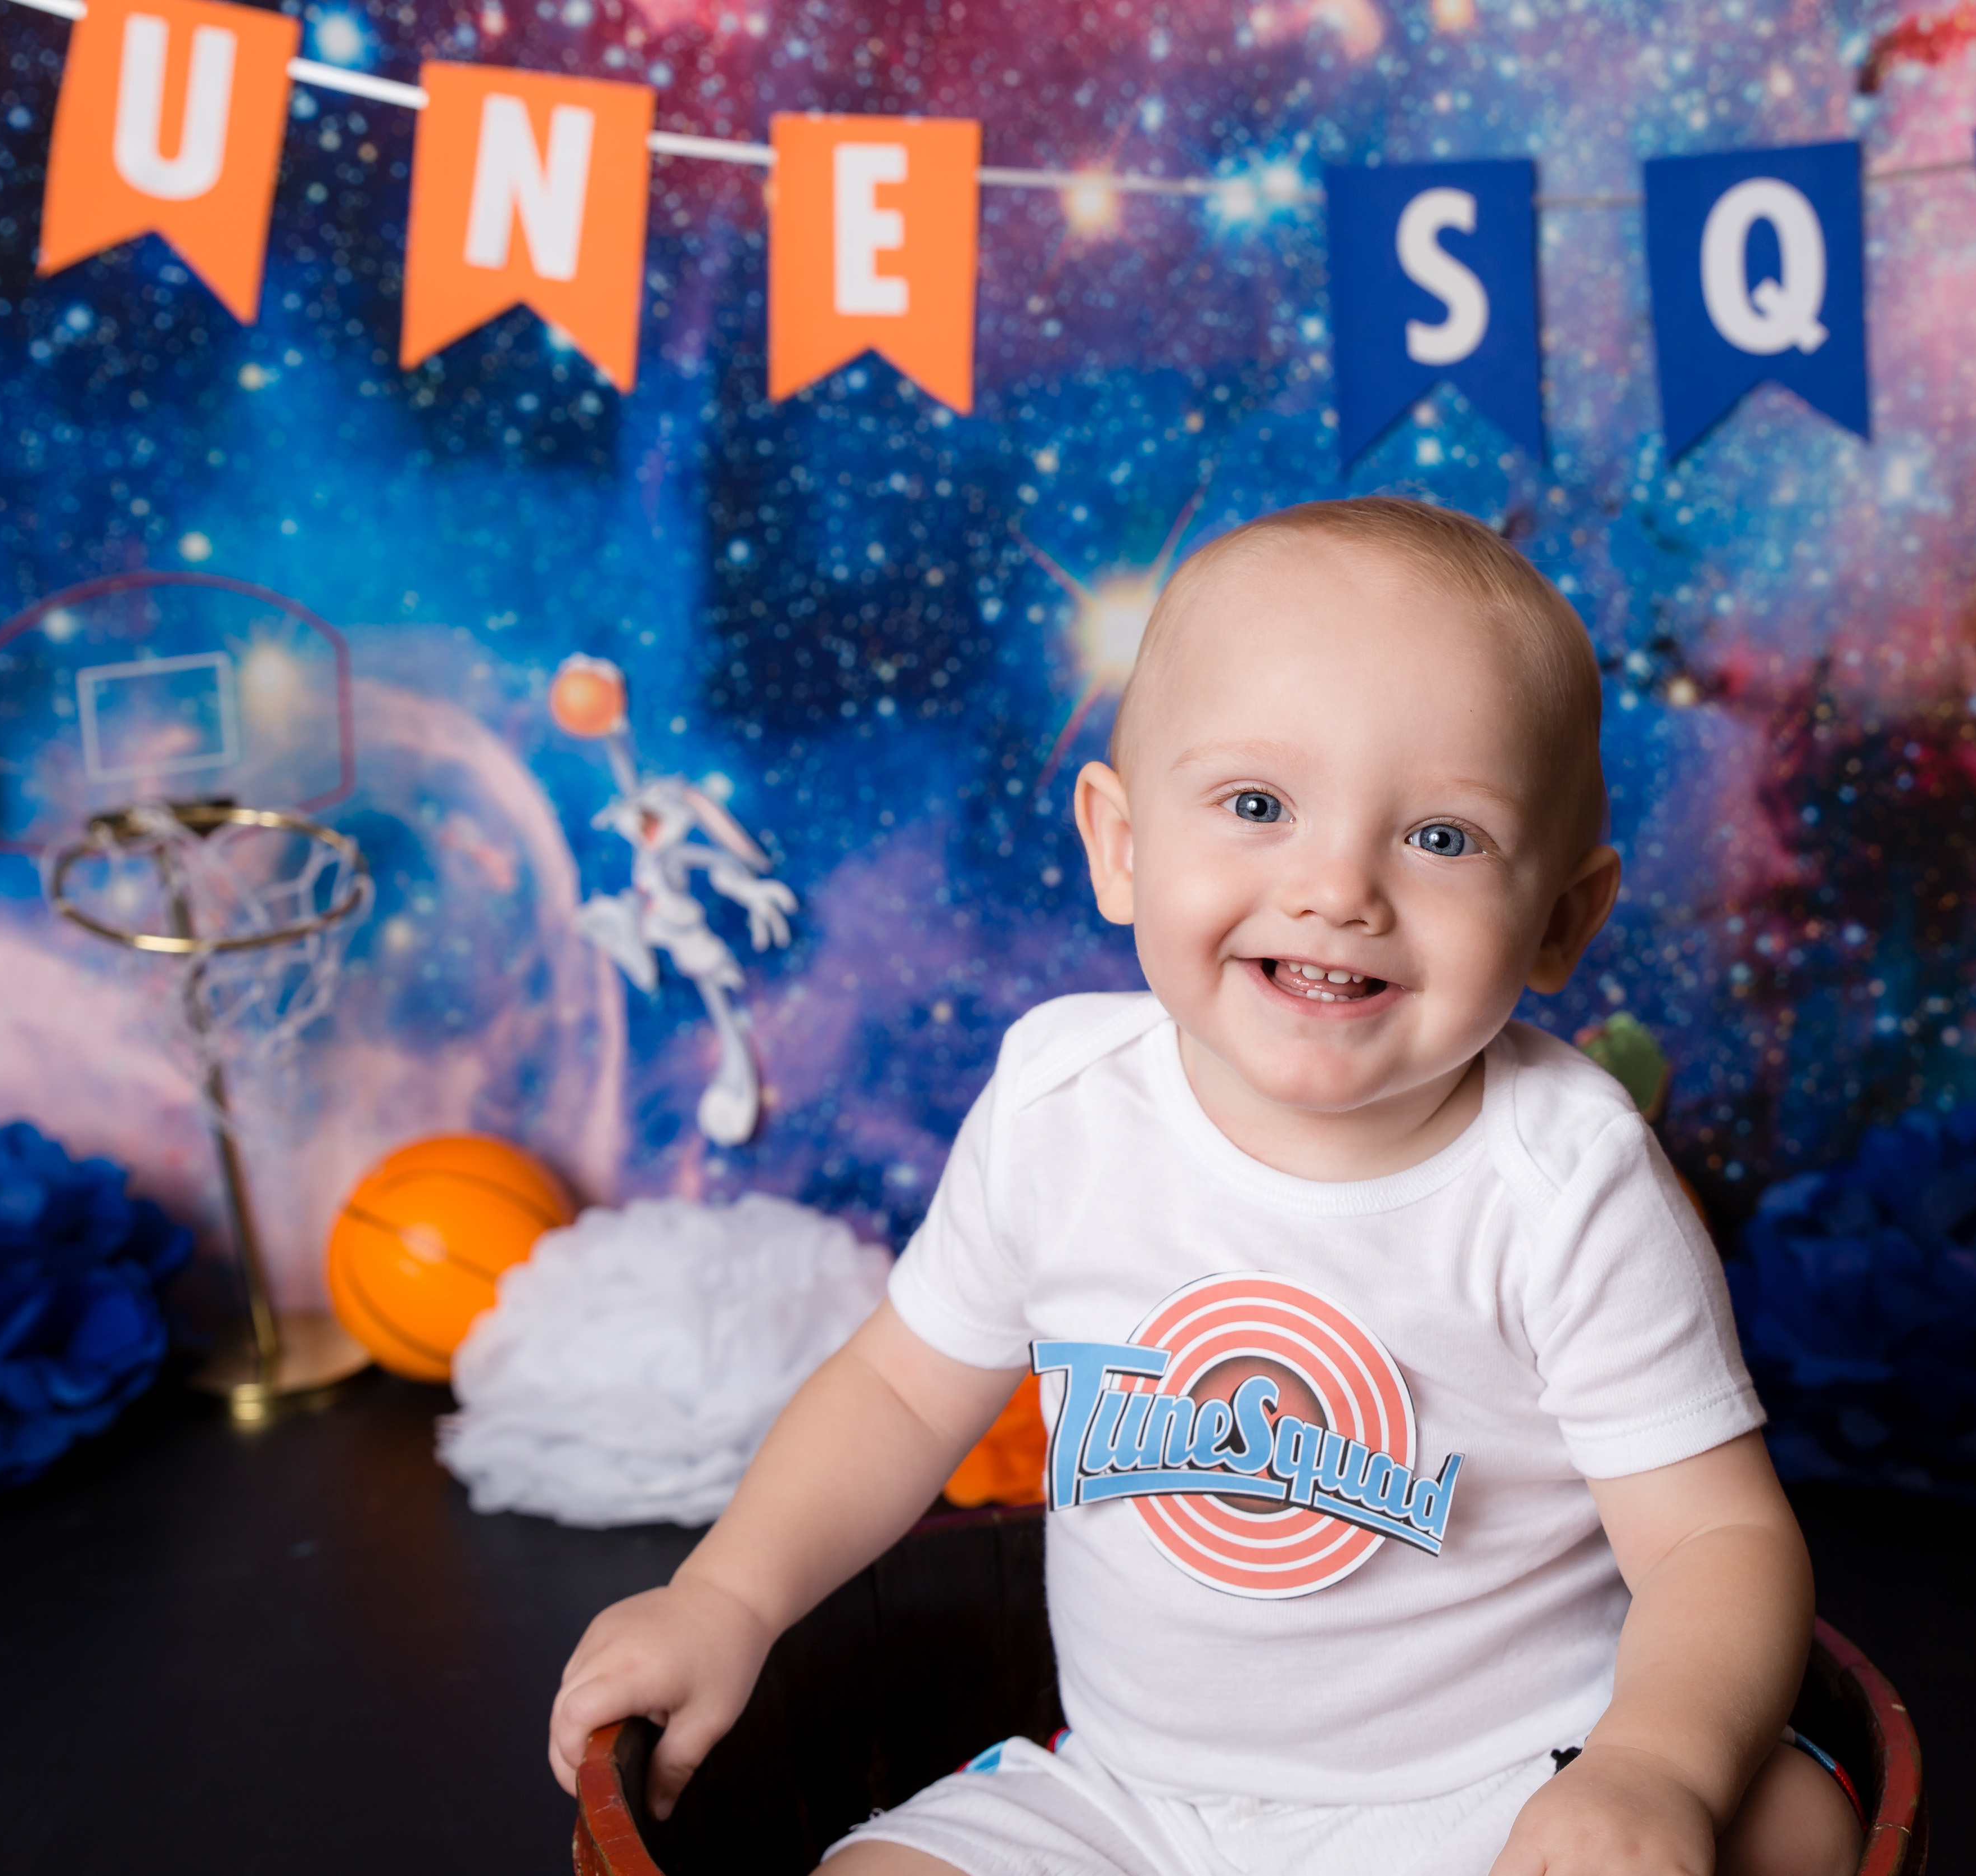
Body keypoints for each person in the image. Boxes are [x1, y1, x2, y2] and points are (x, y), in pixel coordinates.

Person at [549, 497, 1862, 1876]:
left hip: (1495, 1793)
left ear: (1560, 919)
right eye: (1257, 806)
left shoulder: (1564, 1180)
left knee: (1788, 1824)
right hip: (1133, 1798)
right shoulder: (1063, 1105)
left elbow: (1713, 1536)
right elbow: (896, 1392)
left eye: (1441, 838)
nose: (1337, 888)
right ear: (1121, 845)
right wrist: (727, 1597)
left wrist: (1654, 1763)